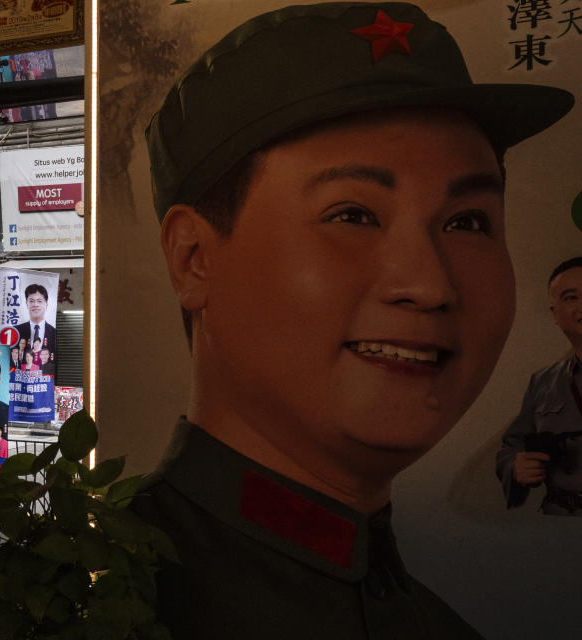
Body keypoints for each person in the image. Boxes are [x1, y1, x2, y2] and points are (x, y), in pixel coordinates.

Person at [129, 3, 574, 639]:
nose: (428, 285)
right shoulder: (92, 604)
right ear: (194, 259)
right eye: (353, 215)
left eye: (468, 223)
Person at [497, 257, 582, 515]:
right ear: (555, 314)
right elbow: (512, 447)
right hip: (558, 523)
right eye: (570, 297)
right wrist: (516, 467)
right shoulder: (543, 382)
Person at [16, 284, 56, 354]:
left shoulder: (54, 332)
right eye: (31, 301)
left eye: (39, 301)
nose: (35, 305)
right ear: (26, 304)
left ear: (46, 305)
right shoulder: (17, 331)